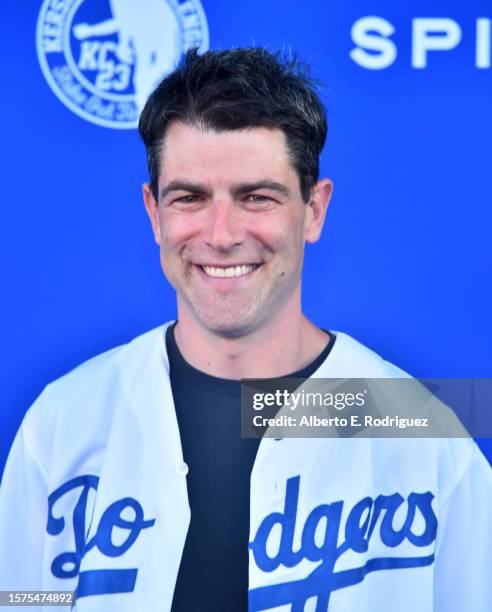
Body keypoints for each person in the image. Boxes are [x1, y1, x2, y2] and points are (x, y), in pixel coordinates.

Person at [0, 47, 491, 612]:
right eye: (190, 198)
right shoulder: (64, 422)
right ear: (154, 212)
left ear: (314, 209)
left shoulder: (423, 437)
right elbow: (23, 598)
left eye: (256, 197)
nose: (222, 233)